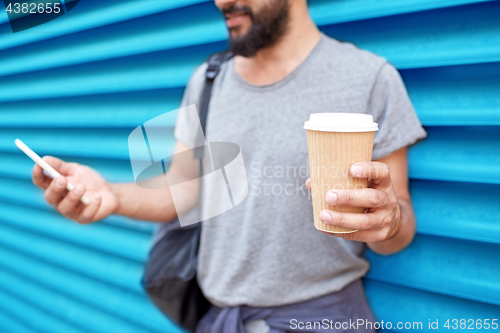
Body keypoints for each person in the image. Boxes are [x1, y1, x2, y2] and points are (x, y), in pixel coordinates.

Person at [32, 0, 427, 332]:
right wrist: (109, 195)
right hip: (219, 320)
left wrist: (388, 222)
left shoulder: (370, 78)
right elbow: (183, 191)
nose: (222, 1)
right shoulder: (208, 79)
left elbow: (399, 223)